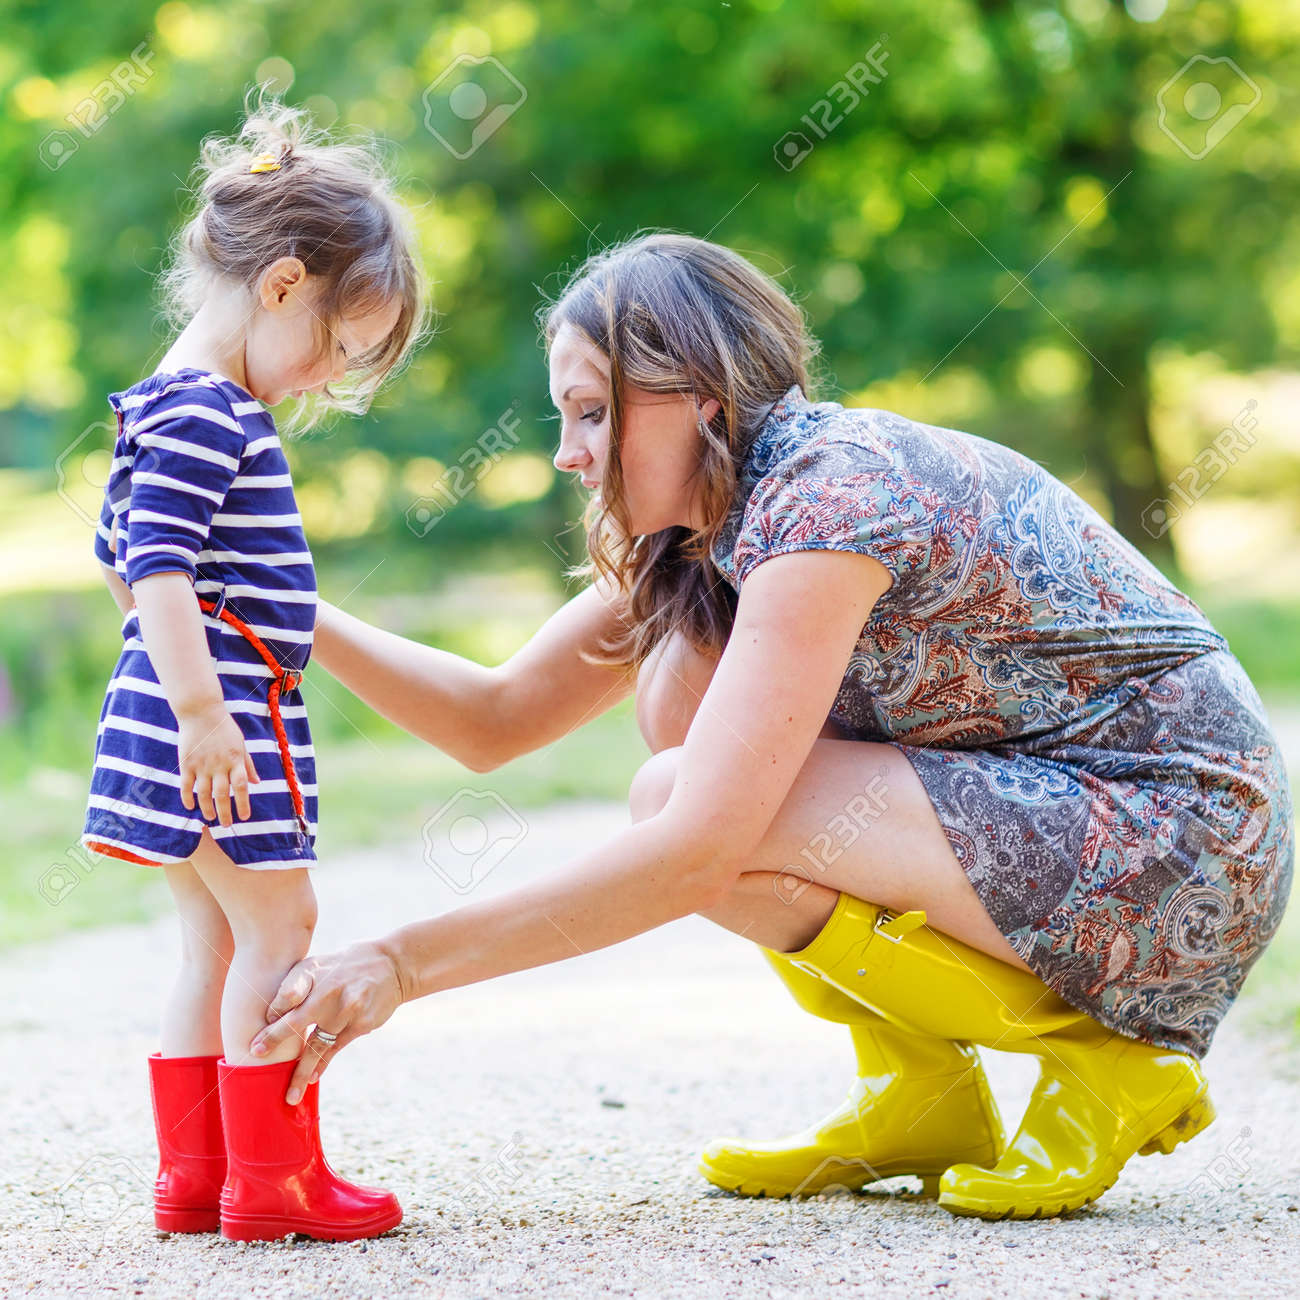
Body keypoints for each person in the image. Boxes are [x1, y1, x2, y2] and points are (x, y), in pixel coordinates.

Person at [248, 232, 1293, 1221]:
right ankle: (921, 1095)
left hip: (1181, 836)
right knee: (681, 739)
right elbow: (494, 717)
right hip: (1082, 828)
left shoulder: (830, 499)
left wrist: (399, 961)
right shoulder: (719, 518)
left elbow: (696, 848)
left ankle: (1107, 1062)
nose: (568, 454)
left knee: (682, 799)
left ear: (699, 400)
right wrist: (282, 606)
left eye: (591, 413)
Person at [79, 92, 428, 1241]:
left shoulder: (161, 406)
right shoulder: (212, 413)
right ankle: (274, 1180)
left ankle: (200, 1176)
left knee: (214, 939)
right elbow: (161, 567)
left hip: (185, 709)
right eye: (336, 347)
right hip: (221, 715)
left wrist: (172, 689)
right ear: (281, 285)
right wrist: (203, 710)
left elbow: (116, 554)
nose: (328, 378)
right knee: (281, 931)